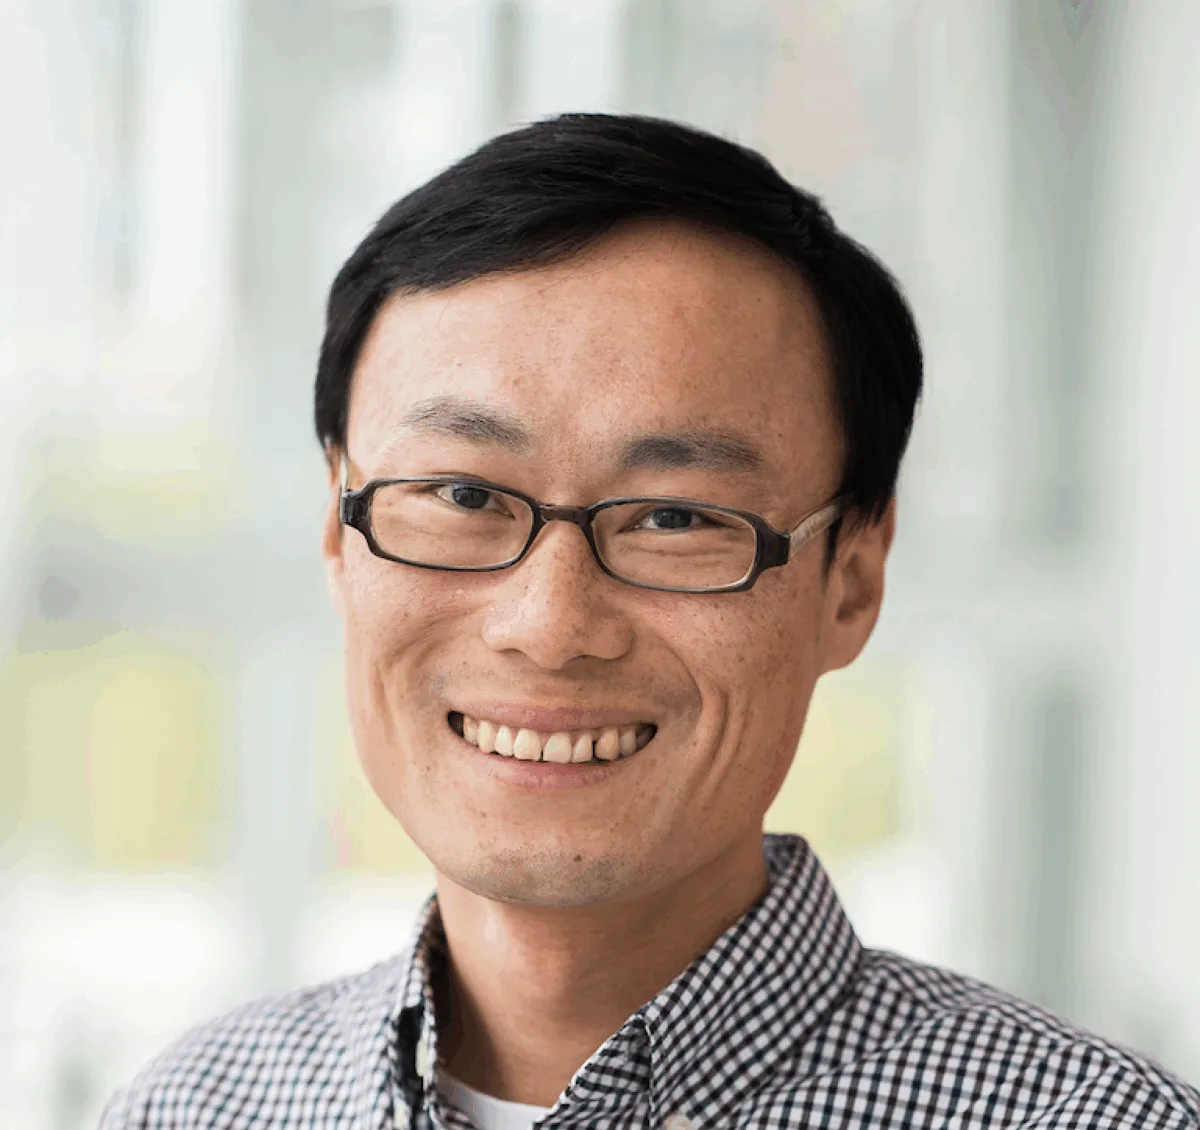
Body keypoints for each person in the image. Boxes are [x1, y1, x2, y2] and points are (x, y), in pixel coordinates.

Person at [101, 113, 1199, 1130]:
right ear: (340, 535)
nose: (550, 622)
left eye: (676, 516)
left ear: (852, 579)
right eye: (465, 496)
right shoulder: (199, 1103)